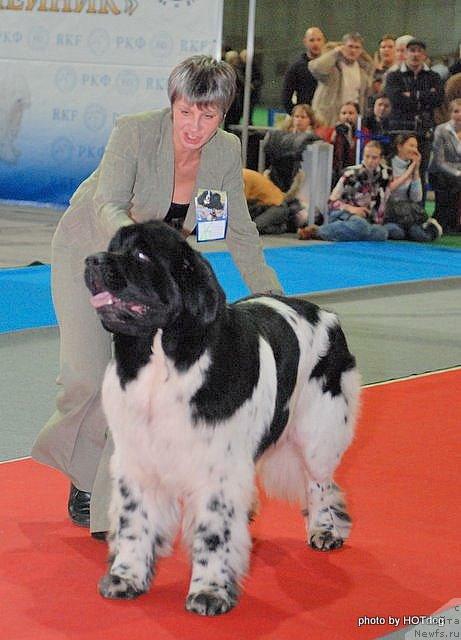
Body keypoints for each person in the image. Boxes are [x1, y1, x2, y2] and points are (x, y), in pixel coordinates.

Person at [31, 55, 282, 538]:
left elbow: (239, 231)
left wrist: (273, 297)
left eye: (208, 115)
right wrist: (141, 248)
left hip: (152, 279)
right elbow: (107, 204)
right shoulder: (134, 132)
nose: (195, 125)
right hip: (94, 255)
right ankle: (74, 459)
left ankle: (103, 499)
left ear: (223, 113)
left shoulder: (226, 153)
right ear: (173, 104)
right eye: (186, 111)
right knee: (83, 380)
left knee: (130, 384)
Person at [297, 140, 420, 242]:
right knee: (361, 226)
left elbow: (389, 190)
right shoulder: (350, 174)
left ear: (381, 158)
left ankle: (348, 233)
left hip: (369, 218)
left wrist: (413, 168)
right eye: (367, 156)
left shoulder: (385, 174)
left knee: (381, 233)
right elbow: (331, 202)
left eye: (374, 157)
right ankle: (318, 231)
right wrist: (353, 209)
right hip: (344, 214)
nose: (370, 161)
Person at [386, 39, 444, 203]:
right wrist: (425, 96)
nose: (415, 54)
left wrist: (410, 95)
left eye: (419, 51)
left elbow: (438, 99)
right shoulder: (393, 76)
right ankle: (390, 211)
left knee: (420, 172)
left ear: (424, 55)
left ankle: (418, 214)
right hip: (400, 133)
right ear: (405, 54)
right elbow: (395, 99)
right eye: (412, 50)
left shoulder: (434, 76)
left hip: (424, 133)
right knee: (396, 172)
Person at [384, 133, 442, 241]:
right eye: (411, 146)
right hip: (389, 213)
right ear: (399, 146)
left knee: (420, 235)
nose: (414, 149)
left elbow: (417, 198)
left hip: (407, 214)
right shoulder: (387, 164)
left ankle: (428, 226)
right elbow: (388, 189)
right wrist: (408, 173)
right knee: (396, 233)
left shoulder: (412, 166)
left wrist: (415, 171)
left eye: (416, 146)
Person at [309, 33, 374, 126]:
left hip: (352, 120)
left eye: (357, 47)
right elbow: (315, 68)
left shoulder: (363, 73)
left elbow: (364, 99)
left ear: (361, 51)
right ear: (343, 47)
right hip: (328, 119)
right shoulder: (332, 68)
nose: (353, 50)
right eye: (350, 46)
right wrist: (335, 52)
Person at [428, 98, 461, 232]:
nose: (459, 115)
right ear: (450, 113)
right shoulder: (441, 130)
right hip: (440, 172)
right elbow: (439, 161)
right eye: (456, 111)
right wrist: (458, 173)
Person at [243, 168, 307, 234]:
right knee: (249, 226)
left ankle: (283, 227)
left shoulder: (243, 178)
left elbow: (240, 205)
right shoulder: (242, 175)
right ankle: (280, 226)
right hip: (263, 206)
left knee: (252, 228)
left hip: (278, 206)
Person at [281, 26, 326, 114]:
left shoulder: (331, 67)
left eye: (319, 40)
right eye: (312, 40)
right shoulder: (296, 68)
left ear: (324, 41)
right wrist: (298, 116)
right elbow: (286, 97)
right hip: (307, 120)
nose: (315, 44)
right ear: (305, 42)